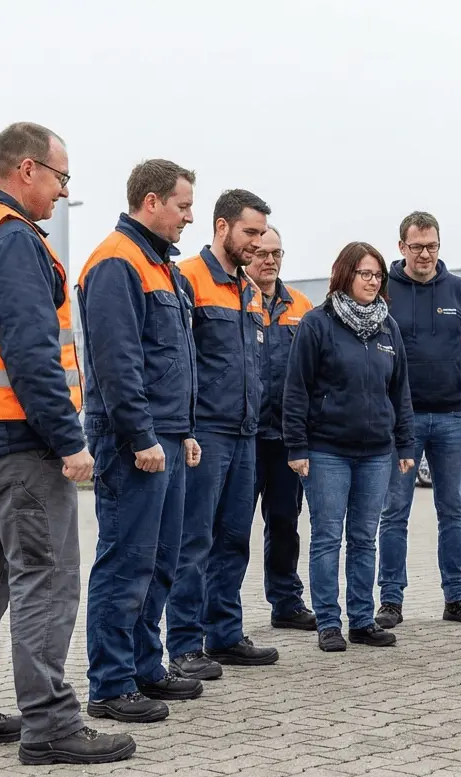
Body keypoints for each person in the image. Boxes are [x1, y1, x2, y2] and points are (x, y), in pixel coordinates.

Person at [0, 121, 133, 764]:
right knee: (44, 577)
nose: (64, 193)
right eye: (62, 178)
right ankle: (50, 725)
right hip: (17, 441)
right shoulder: (11, 239)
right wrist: (70, 440)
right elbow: (32, 355)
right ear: (27, 170)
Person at [77, 159, 205, 723]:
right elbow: (116, 362)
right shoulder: (116, 262)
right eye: (182, 206)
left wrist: (184, 431)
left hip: (168, 437)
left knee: (161, 561)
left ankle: (145, 667)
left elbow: (175, 359)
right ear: (150, 202)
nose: (189, 216)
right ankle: (109, 684)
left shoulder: (162, 267)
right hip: (135, 442)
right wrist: (141, 436)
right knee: (126, 561)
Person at [163, 189, 279, 676]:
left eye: (262, 233)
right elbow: (180, 360)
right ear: (221, 227)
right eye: (250, 233)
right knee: (194, 540)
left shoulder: (250, 290)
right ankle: (185, 644)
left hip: (246, 432)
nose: (257, 243)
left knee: (234, 538)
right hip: (205, 431)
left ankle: (224, 633)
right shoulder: (188, 278)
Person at [282, 242, 417, 651]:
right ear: (345, 275)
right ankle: (328, 622)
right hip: (327, 451)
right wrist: (297, 447)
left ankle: (361, 620)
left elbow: (400, 392)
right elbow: (296, 390)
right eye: (365, 273)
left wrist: (405, 443)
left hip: (377, 452)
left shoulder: (388, 327)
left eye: (378, 275)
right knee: (327, 537)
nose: (373, 281)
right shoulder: (316, 324)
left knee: (364, 537)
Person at [375, 211, 461, 628]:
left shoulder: (459, 291)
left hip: (449, 418)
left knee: (453, 510)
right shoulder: (384, 292)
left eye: (432, 246)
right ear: (401, 247)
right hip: (400, 422)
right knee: (394, 511)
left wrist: (450, 382)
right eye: (417, 246)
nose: (425, 254)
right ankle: (390, 600)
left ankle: (456, 598)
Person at [248, 226, 316, 631]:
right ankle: (220, 615)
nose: (269, 260)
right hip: (243, 436)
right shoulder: (235, 300)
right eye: (261, 253)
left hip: (286, 438)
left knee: (285, 525)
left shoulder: (302, 307)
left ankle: (286, 602)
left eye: (276, 253)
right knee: (231, 529)